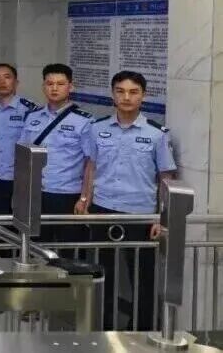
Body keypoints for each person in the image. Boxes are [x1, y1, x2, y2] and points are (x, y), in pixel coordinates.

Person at [81, 71, 177, 331]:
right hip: (103, 210)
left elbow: (166, 178)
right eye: (120, 91)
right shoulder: (98, 128)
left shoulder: (157, 134)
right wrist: (85, 198)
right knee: (102, 273)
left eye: (133, 92)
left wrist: (162, 216)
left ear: (143, 96)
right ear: (112, 94)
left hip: (140, 214)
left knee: (143, 276)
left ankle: (143, 329)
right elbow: (91, 166)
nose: (126, 97)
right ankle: (103, 326)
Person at [18, 64, 94, 254]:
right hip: (35, 193)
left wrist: (84, 198)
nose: (54, 88)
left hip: (67, 195)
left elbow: (90, 163)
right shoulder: (32, 117)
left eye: (60, 84)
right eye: (50, 83)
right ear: (43, 86)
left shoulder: (84, 121)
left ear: (71, 86)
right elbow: (23, 155)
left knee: (69, 251)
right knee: (35, 249)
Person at [0, 64, 39, 215]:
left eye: (7, 77)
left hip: (23, 178)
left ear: (16, 82)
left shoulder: (30, 110)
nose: (2, 82)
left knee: (21, 221)